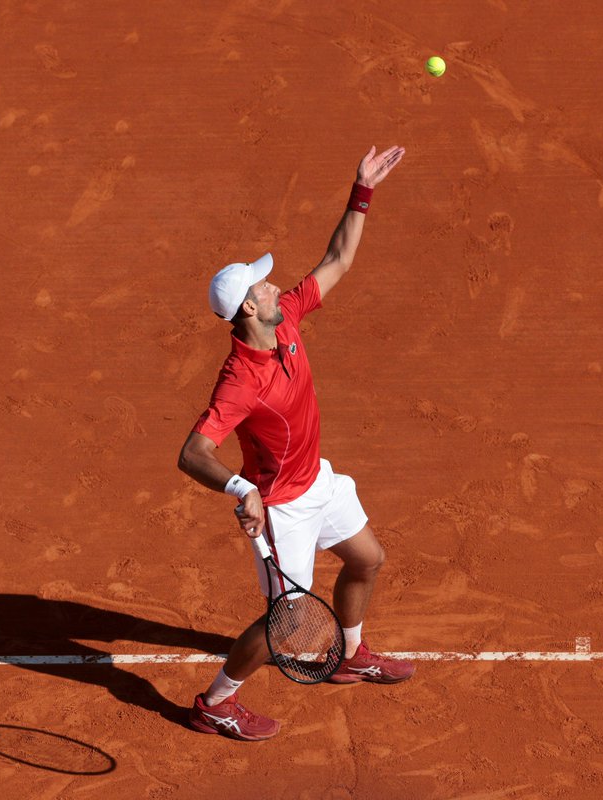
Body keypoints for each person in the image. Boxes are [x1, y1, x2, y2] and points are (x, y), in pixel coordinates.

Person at [178, 145, 413, 741]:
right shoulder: (239, 381)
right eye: (263, 282)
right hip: (281, 507)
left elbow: (338, 258)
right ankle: (214, 704)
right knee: (283, 626)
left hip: (319, 481)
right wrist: (240, 488)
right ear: (249, 306)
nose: (275, 282)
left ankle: (351, 653)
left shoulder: (285, 317)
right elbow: (192, 453)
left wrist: (362, 189)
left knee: (367, 559)